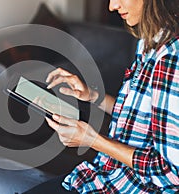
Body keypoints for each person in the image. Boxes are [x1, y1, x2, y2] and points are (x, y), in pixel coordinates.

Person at [23, 0, 179, 193]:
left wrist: (92, 140)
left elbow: (170, 172)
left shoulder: (171, 59)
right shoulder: (149, 42)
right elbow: (140, 120)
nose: (112, 6)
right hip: (107, 174)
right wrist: (92, 95)